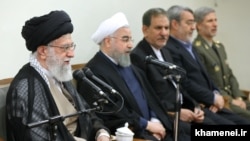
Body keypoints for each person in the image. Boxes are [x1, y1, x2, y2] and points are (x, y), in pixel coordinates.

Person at [76, 12, 191, 141]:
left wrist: (155, 120)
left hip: (154, 126)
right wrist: (147, 125)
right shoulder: (93, 73)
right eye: (125, 39)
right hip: (133, 133)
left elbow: (150, 99)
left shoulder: (128, 64)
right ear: (108, 41)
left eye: (131, 39)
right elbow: (112, 114)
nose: (131, 45)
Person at [5, 10, 110, 141]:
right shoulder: (25, 88)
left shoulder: (59, 72)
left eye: (72, 46)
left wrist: (101, 132)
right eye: (65, 48)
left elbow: (87, 113)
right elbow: (36, 136)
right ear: (43, 51)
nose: (72, 54)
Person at [165, 5, 250, 124]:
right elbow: (185, 83)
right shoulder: (171, 49)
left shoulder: (189, 46)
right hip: (198, 105)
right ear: (175, 24)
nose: (193, 27)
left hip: (212, 101)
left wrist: (216, 95)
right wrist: (212, 98)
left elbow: (209, 76)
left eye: (193, 22)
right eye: (189, 23)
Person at [130, 8, 207, 124]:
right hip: (167, 116)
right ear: (145, 30)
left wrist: (195, 106)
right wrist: (177, 113)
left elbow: (179, 85)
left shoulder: (165, 51)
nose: (164, 33)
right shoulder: (138, 56)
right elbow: (148, 97)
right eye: (158, 28)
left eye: (166, 28)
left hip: (186, 109)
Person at [192, 6, 250, 120]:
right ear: (198, 25)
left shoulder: (219, 46)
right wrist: (231, 99)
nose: (215, 24)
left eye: (215, 20)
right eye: (210, 21)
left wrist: (238, 96)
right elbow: (208, 81)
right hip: (222, 100)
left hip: (234, 98)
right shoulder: (196, 49)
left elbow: (230, 75)